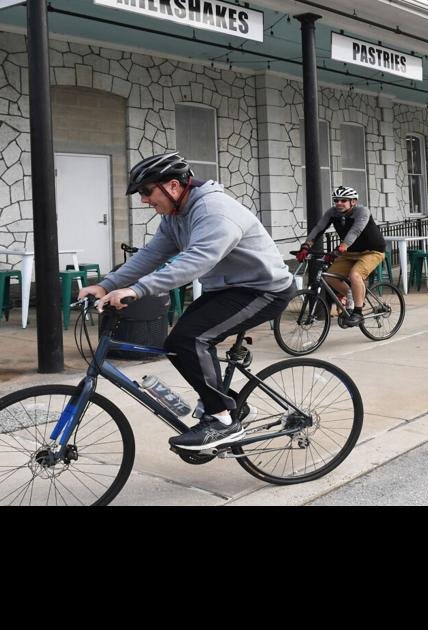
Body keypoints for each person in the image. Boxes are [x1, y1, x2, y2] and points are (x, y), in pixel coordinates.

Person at [80, 152, 296, 451]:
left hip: (263, 289)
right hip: (226, 289)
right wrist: (106, 285)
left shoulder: (214, 211)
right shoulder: (175, 216)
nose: (143, 200)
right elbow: (151, 255)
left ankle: (221, 421)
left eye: (146, 191)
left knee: (189, 339)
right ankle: (231, 405)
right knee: (177, 344)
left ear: (172, 186)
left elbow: (197, 260)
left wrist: (138, 290)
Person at [298, 186, 386, 321]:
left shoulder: (362, 212)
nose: (339, 203)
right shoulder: (332, 213)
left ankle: (358, 313)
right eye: (336, 200)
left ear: (353, 202)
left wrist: (342, 247)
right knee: (330, 277)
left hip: (372, 251)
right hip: (350, 252)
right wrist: (306, 246)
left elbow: (355, 231)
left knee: (355, 275)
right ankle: (354, 296)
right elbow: (319, 228)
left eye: (344, 200)